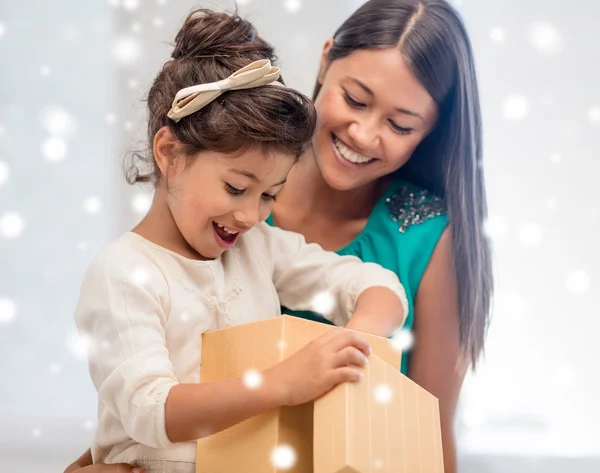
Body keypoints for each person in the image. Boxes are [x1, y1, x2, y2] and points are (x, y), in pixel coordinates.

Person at [65, 1, 493, 472]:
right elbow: (143, 412)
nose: (365, 134)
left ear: (430, 131)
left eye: (399, 124)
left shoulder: (257, 244)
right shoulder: (188, 247)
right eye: (355, 99)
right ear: (326, 60)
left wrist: (350, 344)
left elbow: (428, 437)